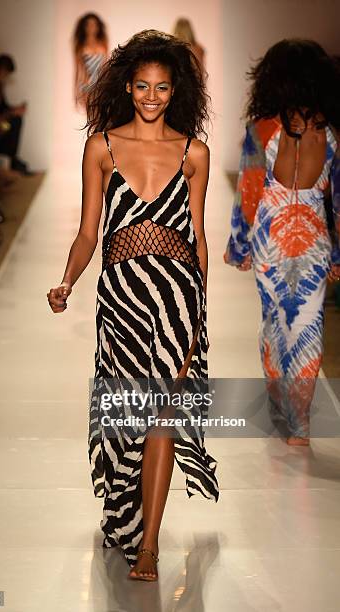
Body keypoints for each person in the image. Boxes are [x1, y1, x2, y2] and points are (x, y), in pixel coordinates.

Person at [47, 29, 219, 581]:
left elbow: (196, 237)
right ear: (127, 86)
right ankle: (123, 515)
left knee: (163, 416)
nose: (151, 97)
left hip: (175, 298)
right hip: (120, 298)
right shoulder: (101, 146)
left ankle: (150, 544)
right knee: (127, 420)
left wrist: (199, 315)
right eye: (143, 86)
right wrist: (67, 282)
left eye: (162, 88)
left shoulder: (195, 154)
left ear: (176, 91)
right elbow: (88, 232)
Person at [224, 39, 340, 446]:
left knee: (275, 323)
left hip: (271, 238)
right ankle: (301, 424)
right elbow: (339, 200)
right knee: (308, 326)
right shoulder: (332, 134)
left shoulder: (261, 130)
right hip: (313, 239)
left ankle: (279, 404)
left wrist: (237, 246)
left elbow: (250, 194)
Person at [0, 55, 32, 175]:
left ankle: (10, 157)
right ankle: (9, 157)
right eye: (6, 73)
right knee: (11, 124)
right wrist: (11, 112)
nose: (6, 76)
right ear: (1, 69)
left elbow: (1, 108)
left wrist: (14, 110)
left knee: (13, 123)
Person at [72, 13, 108, 109]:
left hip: (101, 85)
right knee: (93, 116)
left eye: (94, 24)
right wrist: (76, 92)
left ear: (98, 26)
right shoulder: (80, 47)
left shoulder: (103, 44)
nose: (92, 27)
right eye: (88, 24)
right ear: (84, 27)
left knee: (102, 117)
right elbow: (78, 70)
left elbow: (106, 67)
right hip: (87, 86)